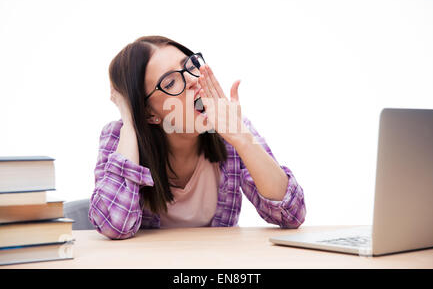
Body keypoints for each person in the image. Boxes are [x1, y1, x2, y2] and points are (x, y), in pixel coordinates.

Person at [88, 35, 306, 240]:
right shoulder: (120, 137)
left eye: (190, 66)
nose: (193, 79)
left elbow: (291, 215)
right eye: (171, 82)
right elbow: (114, 226)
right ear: (148, 113)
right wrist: (130, 120)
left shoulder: (230, 128)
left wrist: (241, 138)